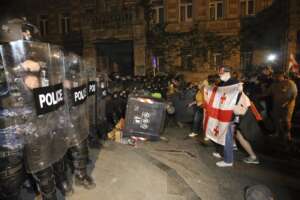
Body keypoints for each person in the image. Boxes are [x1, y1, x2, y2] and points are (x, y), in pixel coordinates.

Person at [265, 71, 298, 146]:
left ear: (282, 76)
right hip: (276, 105)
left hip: (288, 106)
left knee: (286, 120)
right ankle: (277, 132)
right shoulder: (274, 85)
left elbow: (294, 95)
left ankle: (288, 135)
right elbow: (267, 93)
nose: (275, 78)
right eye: (274, 76)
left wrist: (288, 103)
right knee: (276, 119)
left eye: (277, 76)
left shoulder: (290, 83)